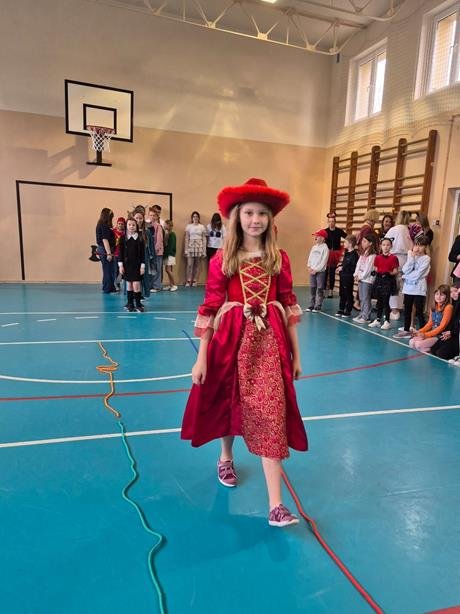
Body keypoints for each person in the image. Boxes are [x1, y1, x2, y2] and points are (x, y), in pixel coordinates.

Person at [181, 177, 308, 528]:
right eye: (249, 212)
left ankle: (276, 505)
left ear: (270, 219)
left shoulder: (279, 258)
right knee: (228, 398)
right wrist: (201, 357)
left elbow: (289, 305)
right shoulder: (223, 258)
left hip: (270, 344)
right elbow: (210, 307)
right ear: (237, 217)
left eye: (262, 213)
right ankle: (225, 456)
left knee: (271, 412)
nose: (255, 219)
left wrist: (296, 356)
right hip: (231, 340)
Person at [393, 237, 431, 339]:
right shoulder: (412, 256)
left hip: (419, 289)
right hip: (408, 288)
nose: (418, 248)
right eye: (416, 245)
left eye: (421, 245)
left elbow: (418, 275)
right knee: (407, 310)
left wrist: (405, 276)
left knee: (419, 311)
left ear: (425, 247)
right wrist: (411, 258)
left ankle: (423, 332)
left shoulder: (426, 259)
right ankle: (406, 330)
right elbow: (405, 269)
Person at [385, 210, 413, 319]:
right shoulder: (409, 231)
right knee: (402, 286)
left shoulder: (394, 229)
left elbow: (385, 243)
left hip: (395, 258)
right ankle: (399, 308)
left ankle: (394, 311)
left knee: (393, 285)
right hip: (407, 259)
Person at [408, 285, 453, 352]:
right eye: (437, 294)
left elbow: (442, 327)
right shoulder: (434, 306)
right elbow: (430, 324)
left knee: (418, 345)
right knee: (411, 342)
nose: (438, 297)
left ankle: (433, 349)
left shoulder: (448, 307)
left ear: (447, 296)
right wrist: (419, 331)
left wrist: (426, 335)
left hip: (440, 335)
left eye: (441, 295)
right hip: (432, 333)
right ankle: (428, 348)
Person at [369, 237, 399, 330]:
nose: (385, 247)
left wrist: (389, 273)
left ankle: (387, 321)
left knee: (386, 301)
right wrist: (375, 272)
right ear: (381, 246)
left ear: (391, 246)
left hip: (388, 281)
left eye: (388, 245)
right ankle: (378, 319)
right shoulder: (378, 257)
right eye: (384, 245)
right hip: (379, 280)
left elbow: (396, 271)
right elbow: (376, 268)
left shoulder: (393, 258)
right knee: (379, 301)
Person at [118, 218, 145, 312]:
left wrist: (142, 266)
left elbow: (143, 254)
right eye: (129, 225)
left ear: (136, 226)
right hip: (127, 266)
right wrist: (120, 265)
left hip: (137, 265)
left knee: (136, 285)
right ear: (126, 226)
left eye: (133, 225)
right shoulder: (122, 238)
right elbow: (120, 253)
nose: (131, 227)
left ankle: (138, 304)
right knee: (129, 284)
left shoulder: (140, 238)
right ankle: (130, 304)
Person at [431, 286, 460, 361]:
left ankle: (457, 355)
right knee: (433, 350)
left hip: (457, 336)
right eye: (451, 292)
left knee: (441, 353)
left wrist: (452, 332)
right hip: (453, 334)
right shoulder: (455, 303)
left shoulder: (450, 306)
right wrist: (449, 333)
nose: (453, 294)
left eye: (456, 291)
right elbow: (452, 323)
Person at [353, 235, 376, 324]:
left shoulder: (372, 255)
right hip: (361, 278)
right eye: (362, 241)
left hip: (367, 279)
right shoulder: (363, 253)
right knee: (362, 297)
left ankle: (366, 316)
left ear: (370, 243)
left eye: (365, 241)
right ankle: (362, 314)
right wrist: (356, 274)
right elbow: (358, 265)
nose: (362, 243)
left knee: (366, 297)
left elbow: (368, 269)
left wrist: (360, 276)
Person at [324, 212, 347, 298]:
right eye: (329, 221)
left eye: (333, 221)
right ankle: (324, 290)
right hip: (327, 253)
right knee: (325, 272)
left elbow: (347, 237)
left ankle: (331, 291)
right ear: (328, 222)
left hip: (335, 254)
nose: (331, 223)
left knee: (332, 272)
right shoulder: (325, 231)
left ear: (335, 222)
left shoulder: (339, 231)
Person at [335, 234, 359, 317]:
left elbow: (353, 267)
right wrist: (340, 266)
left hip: (348, 277)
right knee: (342, 293)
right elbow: (344, 263)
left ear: (350, 244)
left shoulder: (354, 255)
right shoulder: (346, 253)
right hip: (343, 276)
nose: (344, 243)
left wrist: (343, 268)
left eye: (345, 242)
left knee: (348, 293)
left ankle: (348, 310)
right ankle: (341, 308)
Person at [306, 229, 329, 313]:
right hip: (312, 271)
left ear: (322, 238)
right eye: (315, 236)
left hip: (320, 272)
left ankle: (318, 305)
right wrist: (309, 267)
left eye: (317, 236)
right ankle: (311, 305)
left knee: (319, 288)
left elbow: (323, 261)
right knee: (312, 288)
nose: (315, 237)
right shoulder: (314, 247)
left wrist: (316, 270)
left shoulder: (325, 248)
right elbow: (310, 258)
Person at [95, 208, 117, 294]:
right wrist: (109, 253)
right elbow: (105, 240)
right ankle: (108, 288)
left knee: (107, 269)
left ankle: (108, 287)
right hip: (105, 249)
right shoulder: (104, 225)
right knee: (108, 269)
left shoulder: (101, 224)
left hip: (103, 249)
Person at [133, 210, 154, 299]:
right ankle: (134, 294)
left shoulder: (147, 231)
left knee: (143, 275)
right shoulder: (130, 231)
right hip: (133, 257)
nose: (138, 220)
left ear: (143, 219)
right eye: (137, 218)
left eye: (140, 218)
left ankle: (142, 294)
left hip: (144, 256)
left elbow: (151, 246)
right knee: (134, 276)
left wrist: (152, 256)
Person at [184, 211, 207, 286]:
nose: (195, 218)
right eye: (194, 216)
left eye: (196, 216)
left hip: (199, 246)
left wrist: (204, 251)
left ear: (198, 218)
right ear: (192, 218)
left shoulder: (202, 227)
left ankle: (195, 280)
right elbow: (186, 238)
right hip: (190, 246)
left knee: (197, 264)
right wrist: (186, 249)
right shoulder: (189, 226)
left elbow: (204, 239)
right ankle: (188, 280)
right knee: (189, 264)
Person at [149, 208, 164, 292]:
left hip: (157, 252)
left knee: (157, 269)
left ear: (157, 216)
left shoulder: (158, 226)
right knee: (151, 269)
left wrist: (155, 250)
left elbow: (159, 240)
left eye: (154, 215)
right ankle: (151, 285)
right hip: (150, 252)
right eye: (150, 215)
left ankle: (157, 286)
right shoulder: (148, 226)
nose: (152, 217)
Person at [163, 219, 178, 291]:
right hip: (167, 255)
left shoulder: (172, 234)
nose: (164, 226)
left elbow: (170, 246)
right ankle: (171, 285)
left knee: (168, 270)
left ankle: (174, 285)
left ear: (169, 226)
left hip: (170, 255)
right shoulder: (167, 234)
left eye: (166, 224)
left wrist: (165, 255)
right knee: (167, 270)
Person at [113, 217, 126, 291]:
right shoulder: (113, 232)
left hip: (123, 255)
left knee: (124, 270)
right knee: (116, 270)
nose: (120, 225)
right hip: (115, 254)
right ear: (117, 224)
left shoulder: (126, 233)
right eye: (119, 223)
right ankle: (116, 285)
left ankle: (126, 285)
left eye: (122, 224)